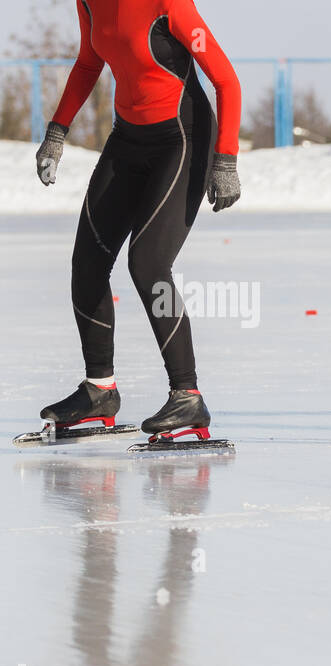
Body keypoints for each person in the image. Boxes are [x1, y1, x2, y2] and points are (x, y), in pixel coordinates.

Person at [35, 0, 242, 442]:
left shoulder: (167, 3)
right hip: (128, 138)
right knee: (88, 260)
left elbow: (226, 79)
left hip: (182, 137)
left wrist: (226, 160)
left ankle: (187, 395)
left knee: (148, 264)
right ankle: (99, 390)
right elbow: (88, 62)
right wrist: (57, 132)